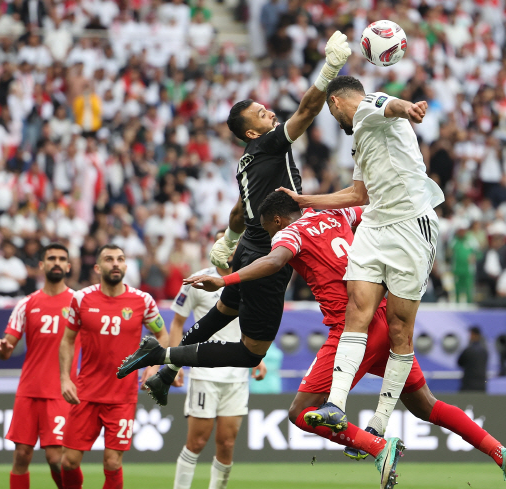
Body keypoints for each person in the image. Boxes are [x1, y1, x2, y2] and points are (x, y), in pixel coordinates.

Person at [184, 192, 506, 489]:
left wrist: (226, 281)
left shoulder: (288, 234)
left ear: (276, 220)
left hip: (352, 330)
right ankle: (500, 453)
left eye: (266, 228)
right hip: (386, 318)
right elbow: (372, 208)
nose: (268, 234)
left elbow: (276, 261)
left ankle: (377, 446)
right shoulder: (336, 214)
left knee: (300, 411)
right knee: (427, 405)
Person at [116, 32, 351, 393]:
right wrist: (330, 67)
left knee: (222, 312)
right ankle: (161, 357)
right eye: (262, 113)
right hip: (269, 252)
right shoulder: (270, 144)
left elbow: (242, 209)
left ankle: (164, 372)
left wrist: (227, 241)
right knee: (251, 353)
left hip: (248, 247)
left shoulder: (244, 163)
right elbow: (306, 110)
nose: (271, 111)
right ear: (253, 131)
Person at [278, 75, 445, 438]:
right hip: (376, 223)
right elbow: (357, 195)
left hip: (411, 225)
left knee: (400, 330)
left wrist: (410, 108)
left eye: (331, 111)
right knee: (357, 308)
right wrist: (306, 202)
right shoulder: (360, 141)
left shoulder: (370, 106)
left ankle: (380, 421)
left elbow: (391, 105)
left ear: (335, 103)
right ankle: (335, 405)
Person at [151, 232, 268, 489]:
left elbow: (254, 323)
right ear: (215, 248)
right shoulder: (196, 281)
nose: (231, 248)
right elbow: (178, 323)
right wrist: (174, 362)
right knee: (197, 442)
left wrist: (258, 358)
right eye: (224, 243)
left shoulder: (247, 278)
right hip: (205, 373)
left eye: (235, 244)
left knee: (227, 444)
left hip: (237, 374)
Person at [59, 244, 170, 489]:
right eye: (109, 259)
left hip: (122, 396)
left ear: (126, 266)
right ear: (98, 268)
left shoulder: (143, 301)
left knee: (112, 462)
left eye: (120, 259)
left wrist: (152, 367)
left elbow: (163, 336)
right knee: (68, 461)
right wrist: (65, 379)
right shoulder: (81, 298)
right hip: (85, 393)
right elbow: (67, 340)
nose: (116, 263)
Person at [0, 243, 75, 489]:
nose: (57, 262)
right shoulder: (26, 304)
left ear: (68, 266)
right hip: (29, 390)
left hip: (60, 390)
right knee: (21, 455)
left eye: (62, 259)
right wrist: (4, 349)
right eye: (51, 258)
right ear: (41, 265)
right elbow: (7, 347)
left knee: (56, 459)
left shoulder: (77, 302)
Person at [457, 326, 489, 392]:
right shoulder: (484, 351)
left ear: (474, 335)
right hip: (481, 385)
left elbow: (459, 362)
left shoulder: (468, 350)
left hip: (468, 385)